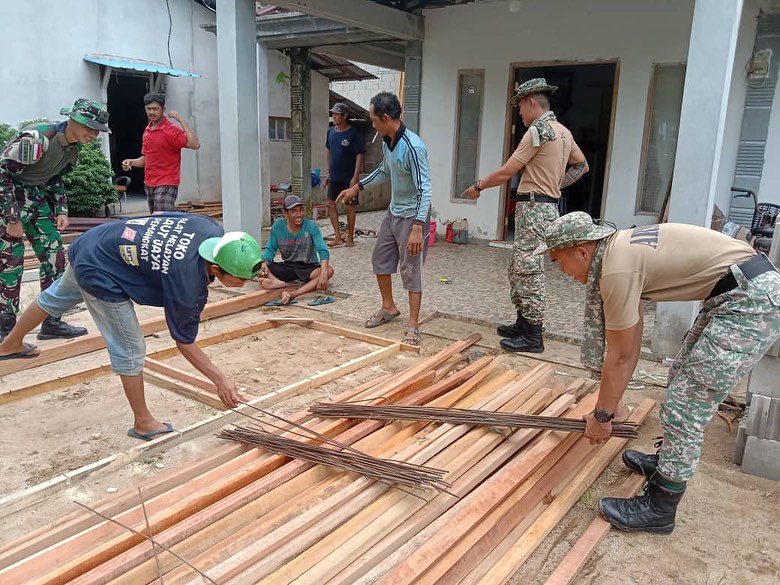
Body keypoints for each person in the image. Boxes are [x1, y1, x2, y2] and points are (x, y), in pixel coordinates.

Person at [534, 211, 780, 534]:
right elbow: (631, 342)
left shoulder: (615, 271)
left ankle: (660, 509)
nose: (561, 271)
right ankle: (667, 466)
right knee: (681, 374)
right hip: (736, 290)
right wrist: (613, 403)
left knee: (686, 404)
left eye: (558, 260)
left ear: (582, 251)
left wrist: (603, 416)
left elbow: (620, 356)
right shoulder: (617, 251)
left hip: (750, 300)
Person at [0, 212, 263, 440]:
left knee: (57, 296)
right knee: (130, 347)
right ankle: (143, 422)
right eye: (239, 280)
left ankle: (11, 343)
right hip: (102, 271)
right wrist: (220, 380)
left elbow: (158, 218)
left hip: (95, 242)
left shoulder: (209, 228)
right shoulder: (187, 284)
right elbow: (183, 340)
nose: (243, 284)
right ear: (216, 268)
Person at [461, 78, 589, 354]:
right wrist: (555, 185)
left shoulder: (537, 131)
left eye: (520, 106)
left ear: (531, 103)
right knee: (519, 267)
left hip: (534, 209)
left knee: (529, 270)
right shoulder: (563, 132)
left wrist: (478, 187)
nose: (519, 113)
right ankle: (523, 323)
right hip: (544, 207)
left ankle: (533, 335)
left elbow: (507, 172)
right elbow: (582, 166)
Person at [0, 98, 111, 341]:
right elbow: (2, 174)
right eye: (89, 127)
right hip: (8, 198)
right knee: (11, 262)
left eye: (97, 130)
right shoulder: (39, 139)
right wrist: (11, 218)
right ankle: (5, 327)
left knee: (55, 257)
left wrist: (62, 209)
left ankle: (52, 321)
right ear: (73, 120)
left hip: (36, 198)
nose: (93, 134)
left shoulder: (73, 149)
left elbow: (55, 177)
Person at [336, 91, 432, 347]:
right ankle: (388, 307)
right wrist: (357, 187)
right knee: (380, 260)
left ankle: (413, 325)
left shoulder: (414, 147)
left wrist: (417, 228)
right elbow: (383, 170)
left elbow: (425, 189)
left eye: (374, 119)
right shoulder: (387, 140)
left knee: (411, 270)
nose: (372, 124)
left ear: (386, 117)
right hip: (393, 212)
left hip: (413, 217)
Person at [121, 93, 200, 213]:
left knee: (163, 221)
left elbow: (195, 145)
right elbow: (146, 159)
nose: (151, 112)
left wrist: (181, 121)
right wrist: (131, 162)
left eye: (155, 108)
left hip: (167, 182)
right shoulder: (147, 131)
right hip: (149, 184)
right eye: (148, 109)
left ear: (163, 109)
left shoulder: (171, 130)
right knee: (154, 223)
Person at [258, 194, 333, 305]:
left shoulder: (311, 226)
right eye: (294, 211)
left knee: (329, 271)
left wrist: (323, 273)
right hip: (288, 266)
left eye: (301, 210)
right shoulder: (278, 227)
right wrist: (264, 262)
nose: (299, 214)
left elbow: (322, 250)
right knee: (259, 266)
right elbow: (270, 249)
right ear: (285, 213)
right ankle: (278, 283)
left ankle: (293, 294)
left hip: (308, 267)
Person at [326, 102, 365, 248]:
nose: (334, 116)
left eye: (336, 114)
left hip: (349, 178)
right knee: (330, 203)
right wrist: (328, 172)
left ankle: (350, 237)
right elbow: (328, 151)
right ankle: (337, 236)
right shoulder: (330, 132)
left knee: (350, 206)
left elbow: (359, 155)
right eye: (333, 114)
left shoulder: (353, 133)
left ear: (345, 116)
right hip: (334, 176)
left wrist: (355, 177)